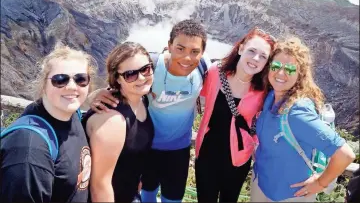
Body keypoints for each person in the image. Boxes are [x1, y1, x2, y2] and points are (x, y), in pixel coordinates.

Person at [87, 19, 212, 202]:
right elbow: (125, 83)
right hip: (147, 148)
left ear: (202, 53)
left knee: (173, 198)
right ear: (169, 46)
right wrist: (94, 95)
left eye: (194, 51)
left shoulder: (204, 67)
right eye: (180, 48)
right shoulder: (151, 67)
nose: (187, 58)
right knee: (147, 195)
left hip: (179, 150)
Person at [251, 37, 356, 202]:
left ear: (300, 74)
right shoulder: (272, 97)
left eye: (290, 69)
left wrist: (321, 183)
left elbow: (345, 155)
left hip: (289, 195)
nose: (280, 73)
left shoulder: (297, 114)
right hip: (262, 183)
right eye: (276, 66)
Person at [1, 44, 97, 202]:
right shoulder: (30, 150)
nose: (72, 87)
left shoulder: (72, 115)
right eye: (60, 80)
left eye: (81, 79)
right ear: (43, 84)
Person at [195, 27, 276, 202]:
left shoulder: (264, 90)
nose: (256, 59)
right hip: (207, 153)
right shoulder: (216, 73)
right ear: (240, 49)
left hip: (238, 158)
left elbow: (265, 122)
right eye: (252, 51)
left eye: (263, 56)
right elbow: (192, 92)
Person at [82, 42, 155, 203]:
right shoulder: (112, 121)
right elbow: (99, 185)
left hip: (129, 193)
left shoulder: (141, 99)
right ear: (117, 79)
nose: (142, 77)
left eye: (145, 69)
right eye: (130, 74)